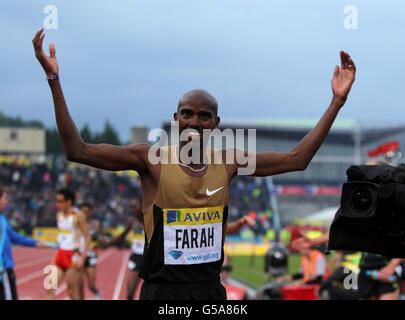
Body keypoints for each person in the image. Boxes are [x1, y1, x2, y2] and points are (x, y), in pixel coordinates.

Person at [32, 28, 356, 300]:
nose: (194, 121)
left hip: (209, 293)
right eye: (187, 113)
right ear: (176, 119)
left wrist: (336, 103)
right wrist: (53, 79)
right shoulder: (150, 159)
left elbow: (296, 160)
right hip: (162, 292)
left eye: (204, 115)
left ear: (215, 123)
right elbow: (78, 151)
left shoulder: (228, 162)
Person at [0, 187, 48, 300]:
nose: (7, 201)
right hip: (3, 270)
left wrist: (35, 243)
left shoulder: (3, 220)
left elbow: (16, 238)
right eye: (5, 198)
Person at [45, 188, 90, 300]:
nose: (57, 204)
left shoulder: (79, 215)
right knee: (50, 288)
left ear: (68, 202)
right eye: (56, 201)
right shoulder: (59, 215)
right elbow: (62, 238)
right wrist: (55, 257)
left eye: (60, 201)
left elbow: (87, 236)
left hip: (73, 256)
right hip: (60, 254)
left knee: (72, 292)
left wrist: (82, 258)